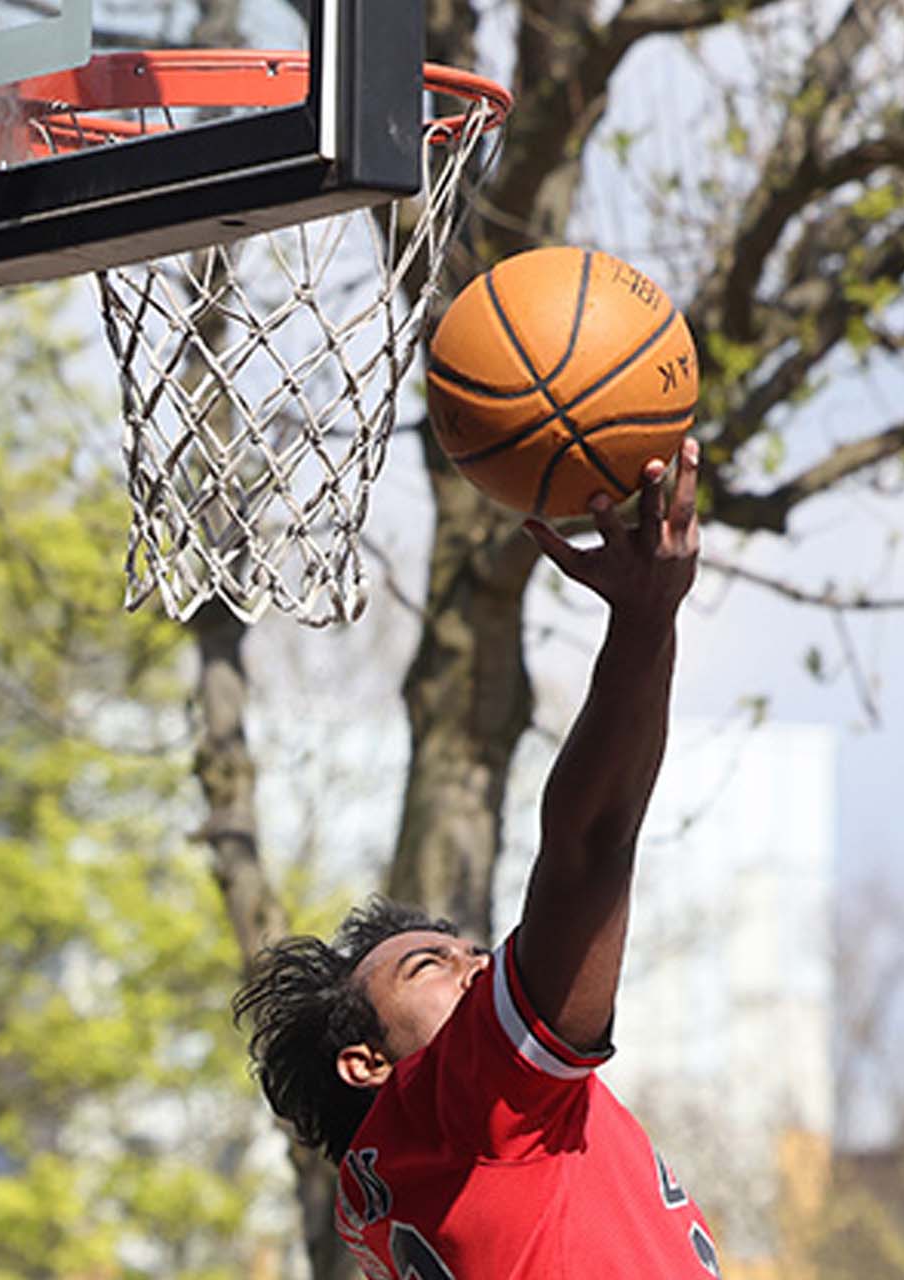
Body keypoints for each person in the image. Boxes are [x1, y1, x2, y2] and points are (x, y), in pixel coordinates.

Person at [233, 440, 718, 1278]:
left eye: (464, 950)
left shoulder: (404, 1180)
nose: (478, 963)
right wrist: (646, 618)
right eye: (430, 963)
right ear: (368, 1063)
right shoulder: (467, 1108)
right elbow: (591, 844)